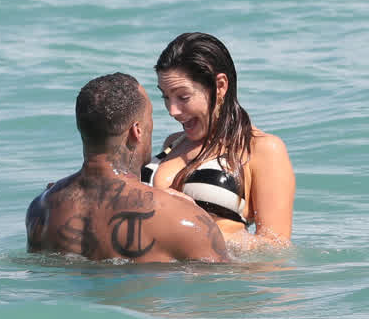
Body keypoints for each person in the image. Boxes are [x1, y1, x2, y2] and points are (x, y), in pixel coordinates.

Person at [26, 73, 228, 263]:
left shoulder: (41, 209)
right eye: (150, 119)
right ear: (136, 131)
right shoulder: (184, 220)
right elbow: (224, 280)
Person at [142, 33, 295, 248]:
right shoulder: (173, 143)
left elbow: (275, 248)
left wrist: (190, 226)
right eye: (166, 97)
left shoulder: (261, 149)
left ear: (220, 86)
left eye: (183, 97)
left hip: (214, 270)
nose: (172, 110)